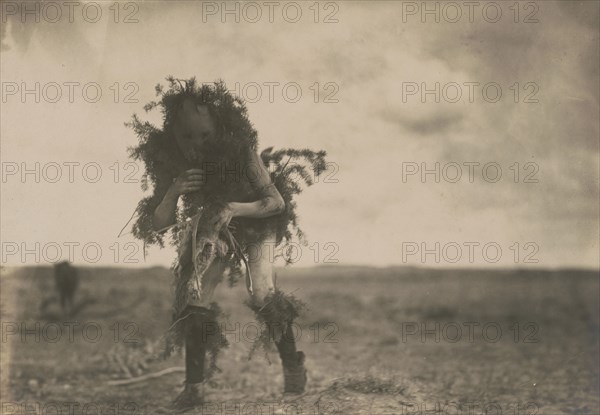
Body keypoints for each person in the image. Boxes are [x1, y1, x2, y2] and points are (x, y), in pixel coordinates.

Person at [127, 79, 322, 409]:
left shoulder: (241, 149)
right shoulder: (170, 158)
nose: (195, 145)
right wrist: (173, 191)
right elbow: (160, 223)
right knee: (193, 294)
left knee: (262, 292)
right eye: (186, 136)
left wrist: (235, 208)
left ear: (218, 127)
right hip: (216, 221)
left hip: (257, 220)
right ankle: (194, 388)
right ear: (173, 132)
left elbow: (276, 202)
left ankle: (293, 367)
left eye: (204, 135)